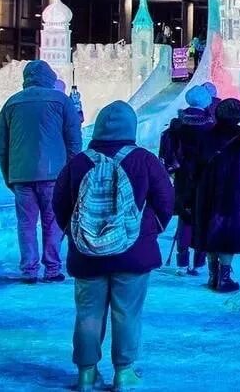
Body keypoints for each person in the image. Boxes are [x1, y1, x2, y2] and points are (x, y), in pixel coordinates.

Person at [52, 101, 174, 391]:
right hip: (133, 253)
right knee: (127, 312)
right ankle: (124, 372)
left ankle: (86, 373)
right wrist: (149, 229)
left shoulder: (78, 162)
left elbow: (59, 204)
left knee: (88, 313)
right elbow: (166, 200)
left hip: (87, 254)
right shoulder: (144, 160)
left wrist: (75, 232)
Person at [0, 60, 83, 284]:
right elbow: (74, 140)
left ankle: (29, 270)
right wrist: (70, 172)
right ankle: (52, 268)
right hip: (55, 174)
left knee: (26, 223)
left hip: (21, 175)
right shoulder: (61, 101)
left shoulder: (11, 103)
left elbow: (1, 147)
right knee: (52, 221)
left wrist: (9, 176)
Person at [193, 99, 240, 293]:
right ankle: (224, 278)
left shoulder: (205, 137)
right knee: (227, 235)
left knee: (208, 230)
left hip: (205, 192)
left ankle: (212, 274)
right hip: (232, 196)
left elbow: (194, 166)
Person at [157, 84, 216, 275]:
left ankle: (181, 262)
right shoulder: (211, 127)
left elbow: (167, 152)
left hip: (182, 179)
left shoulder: (177, 125)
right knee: (203, 220)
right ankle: (197, 262)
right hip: (205, 180)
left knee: (185, 219)